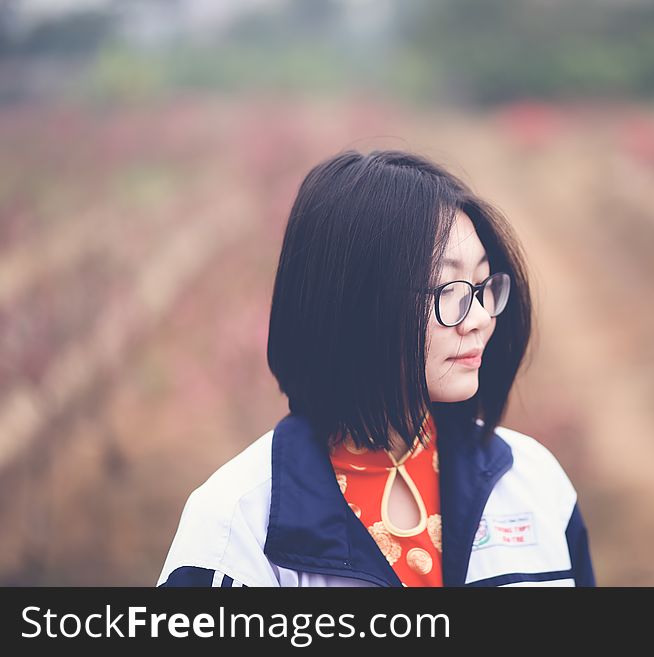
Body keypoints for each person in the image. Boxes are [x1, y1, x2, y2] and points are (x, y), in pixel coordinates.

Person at [156, 149, 596, 587]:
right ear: (352, 304)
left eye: (482, 285)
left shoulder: (535, 484)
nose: (480, 317)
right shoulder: (237, 526)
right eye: (448, 289)